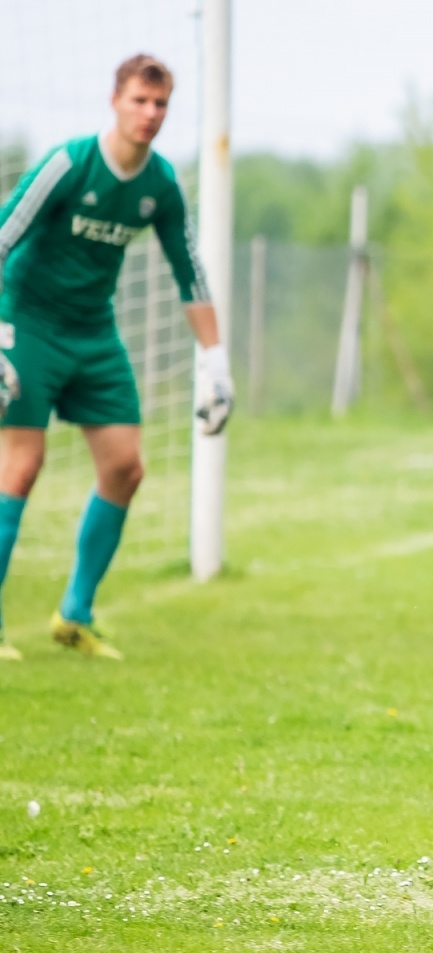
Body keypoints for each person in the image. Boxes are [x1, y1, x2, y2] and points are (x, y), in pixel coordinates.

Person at [0, 55, 234, 661]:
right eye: (140, 101)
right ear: (115, 100)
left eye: (160, 105)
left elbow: (189, 273)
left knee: (126, 466)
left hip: (93, 333)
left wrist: (215, 362)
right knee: (20, 467)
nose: (150, 114)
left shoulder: (159, 186)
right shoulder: (67, 163)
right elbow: (3, 236)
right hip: (24, 322)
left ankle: (74, 614)